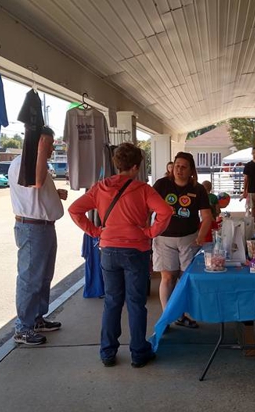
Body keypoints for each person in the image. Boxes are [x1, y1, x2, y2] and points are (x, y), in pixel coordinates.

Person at [68, 143, 172, 368]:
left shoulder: (100, 188)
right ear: (135, 167)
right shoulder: (143, 189)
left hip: (108, 250)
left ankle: (107, 352)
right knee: (135, 302)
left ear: (117, 164)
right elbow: (165, 211)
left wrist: (96, 231)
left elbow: (74, 210)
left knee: (112, 302)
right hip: (136, 250)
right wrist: (150, 232)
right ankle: (138, 353)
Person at [9, 127, 68, 346]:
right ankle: (22, 328)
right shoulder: (24, 162)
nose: (52, 148)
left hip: (43, 227)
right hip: (32, 229)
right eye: (50, 144)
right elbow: (37, 182)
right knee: (30, 279)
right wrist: (41, 148)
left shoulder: (36, 162)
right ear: (39, 141)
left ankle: (36, 319)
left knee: (43, 277)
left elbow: (37, 191)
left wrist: (56, 194)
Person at [152, 152, 212, 328]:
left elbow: (207, 216)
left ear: (191, 170)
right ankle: (167, 317)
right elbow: (147, 208)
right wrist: (147, 231)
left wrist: (200, 238)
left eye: (184, 166)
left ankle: (183, 314)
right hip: (164, 238)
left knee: (186, 278)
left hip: (189, 239)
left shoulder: (198, 189)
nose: (179, 169)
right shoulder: (161, 185)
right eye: (177, 165)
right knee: (168, 277)